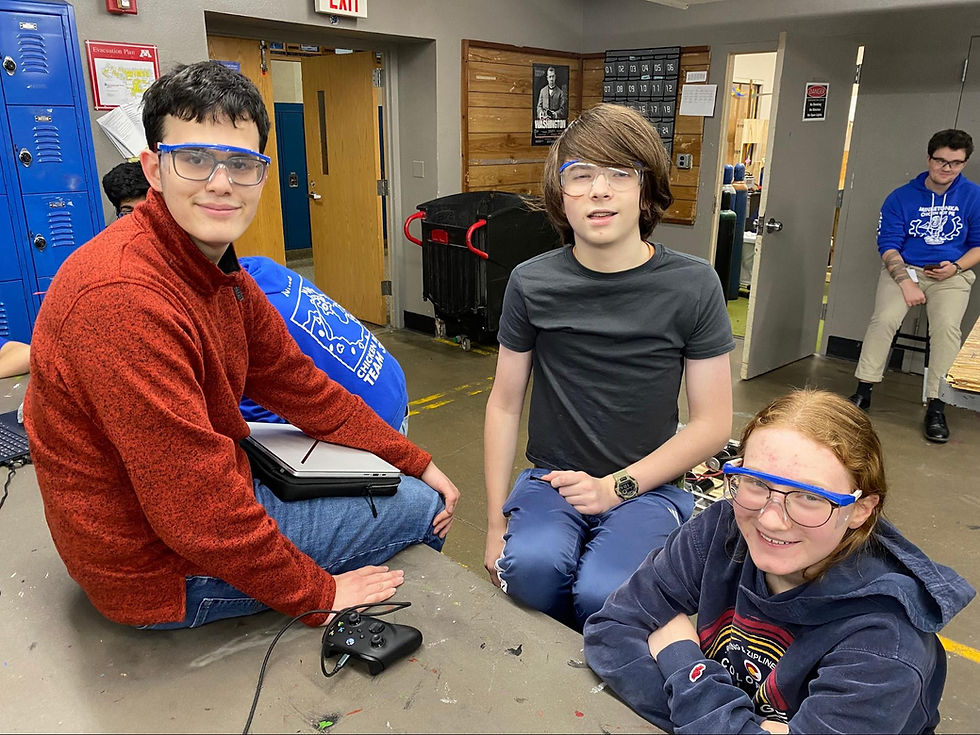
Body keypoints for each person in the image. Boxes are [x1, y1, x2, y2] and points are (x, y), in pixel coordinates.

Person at [24, 61, 459, 630]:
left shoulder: (214, 269)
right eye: (195, 158)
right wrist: (318, 593)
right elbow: (196, 516)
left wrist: (414, 459)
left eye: (241, 163)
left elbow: (296, 383)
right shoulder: (123, 299)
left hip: (197, 504)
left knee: (403, 481)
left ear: (262, 173)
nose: (220, 182)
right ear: (153, 168)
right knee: (424, 510)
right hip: (157, 571)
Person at [584, 389, 975, 734]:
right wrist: (730, 725)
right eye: (755, 482)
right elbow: (610, 630)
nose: (770, 519)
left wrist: (683, 661)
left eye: (808, 497)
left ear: (860, 510)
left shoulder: (886, 642)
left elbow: (639, 647)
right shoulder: (720, 532)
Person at [484, 103, 735, 630]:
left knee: (605, 592)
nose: (599, 190)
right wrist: (492, 524)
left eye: (619, 174)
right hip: (551, 478)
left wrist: (615, 488)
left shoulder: (693, 285)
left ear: (646, 190)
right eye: (580, 175)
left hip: (649, 484)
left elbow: (713, 423)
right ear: (561, 195)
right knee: (529, 572)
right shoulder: (532, 282)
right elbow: (504, 404)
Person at [848, 129, 980, 442]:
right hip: (905, 271)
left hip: (952, 274)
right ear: (929, 158)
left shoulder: (974, 196)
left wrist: (956, 267)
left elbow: (977, 245)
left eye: (956, 163)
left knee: (947, 328)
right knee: (884, 320)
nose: (947, 169)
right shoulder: (901, 197)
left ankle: (937, 405)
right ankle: (862, 392)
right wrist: (906, 282)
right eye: (941, 161)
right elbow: (889, 245)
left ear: (964, 163)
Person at [238, 256, 410, 433]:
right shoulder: (258, 269)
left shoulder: (245, 320)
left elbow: (261, 424)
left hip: (372, 423)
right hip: (390, 386)